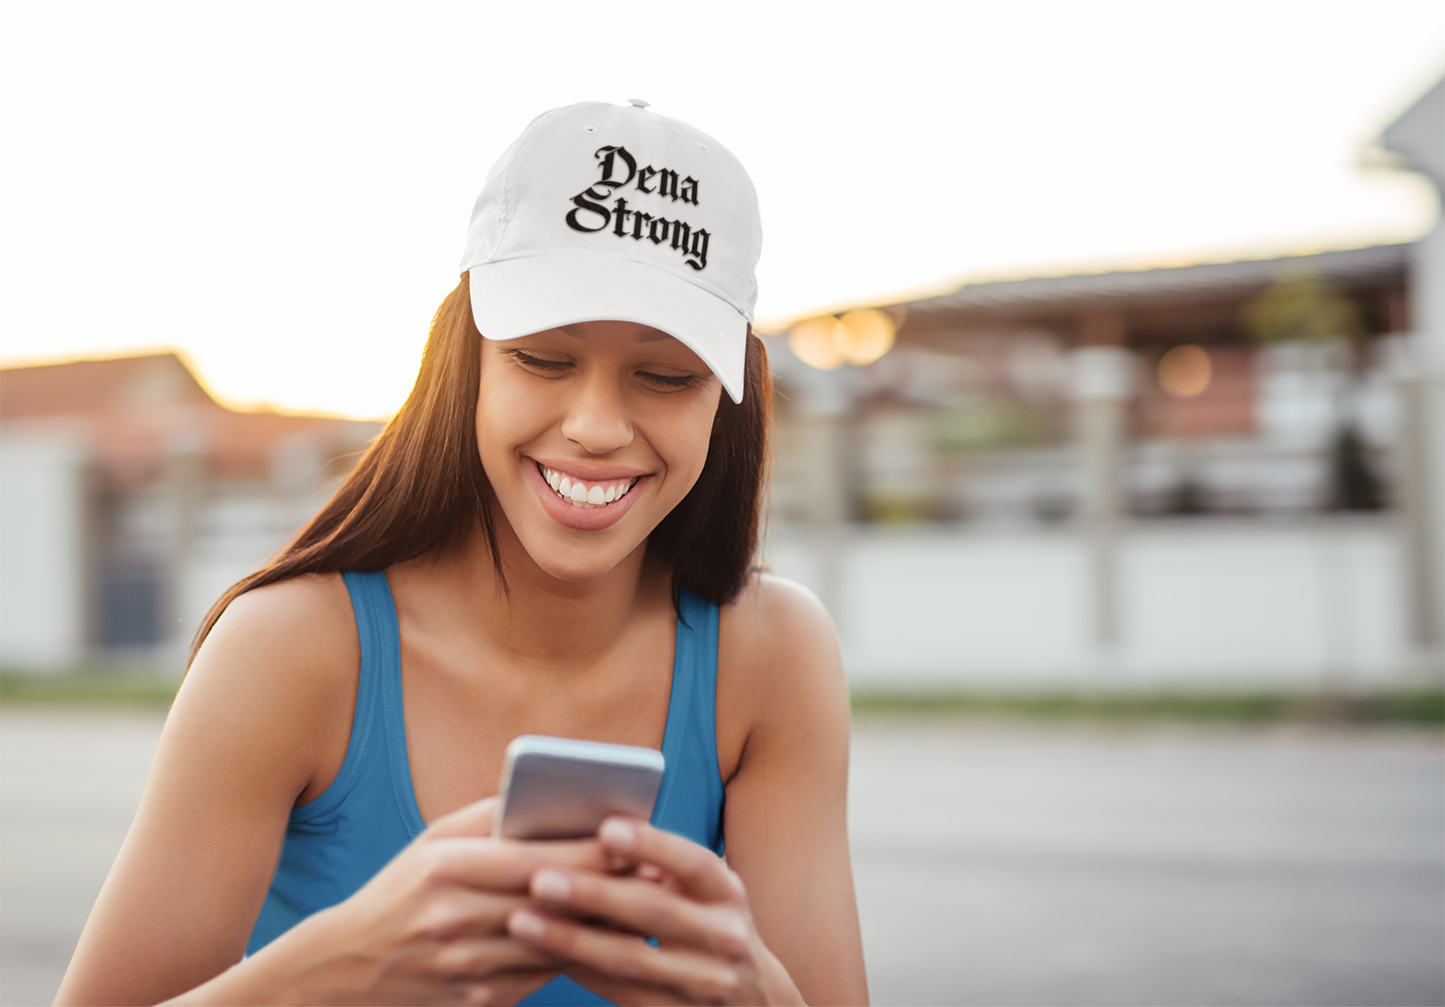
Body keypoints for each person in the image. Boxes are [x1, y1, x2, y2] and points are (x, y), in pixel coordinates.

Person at [54, 99, 867, 1007]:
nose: (595, 427)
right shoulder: (290, 648)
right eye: (542, 359)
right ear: (462, 362)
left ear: (730, 398)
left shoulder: (773, 653)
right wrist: (343, 967)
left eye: (665, 374)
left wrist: (757, 992)